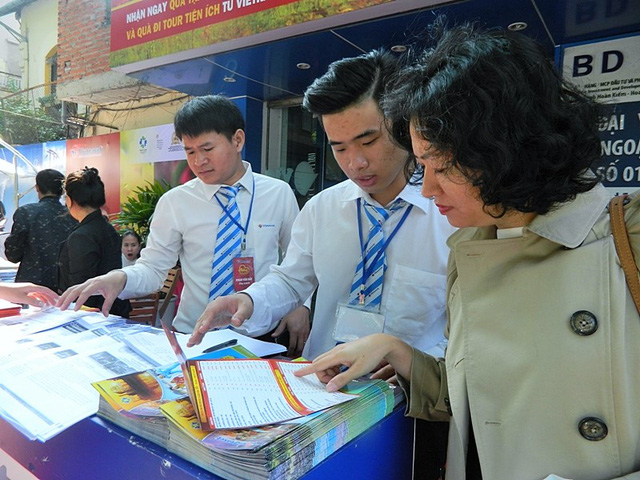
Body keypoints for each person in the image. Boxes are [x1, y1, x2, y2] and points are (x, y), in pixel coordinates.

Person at [295, 23, 640, 480]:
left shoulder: (627, 236)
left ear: (504, 148)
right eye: (422, 166)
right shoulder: (473, 247)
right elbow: (479, 396)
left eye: (442, 167)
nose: (428, 189)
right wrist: (395, 350)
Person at [187, 50, 455, 362]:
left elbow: (468, 332)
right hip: (322, 381)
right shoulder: (322, 209)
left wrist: (415, 364)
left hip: (407, 390)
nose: (355, 163)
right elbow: (291, 281)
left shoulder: (450, 215)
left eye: (368, 142)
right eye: (339, 148)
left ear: (402, 126)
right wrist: (249, 300)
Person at [58, 95, 309, 353]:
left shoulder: (278, 194)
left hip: (261, 336)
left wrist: (302, 305)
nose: (199, 161)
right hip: (194, 338)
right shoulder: (175, 202)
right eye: (190, 151)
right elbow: (153, 268)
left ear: (237, 140)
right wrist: (121, 278)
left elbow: (300, 263)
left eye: (207, 149)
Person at [58, 167, 130, 317]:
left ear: (69, 201)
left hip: (93, 314)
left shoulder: (82, 236)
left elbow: (81, 285)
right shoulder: (107, 227)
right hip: (112, 308)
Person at [4, 169, 77, 291]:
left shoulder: (26, 212)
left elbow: (13, 254)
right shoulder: (73, 215)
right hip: (66, 285)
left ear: (37, 187)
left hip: (32, 284)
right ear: (62, 190)